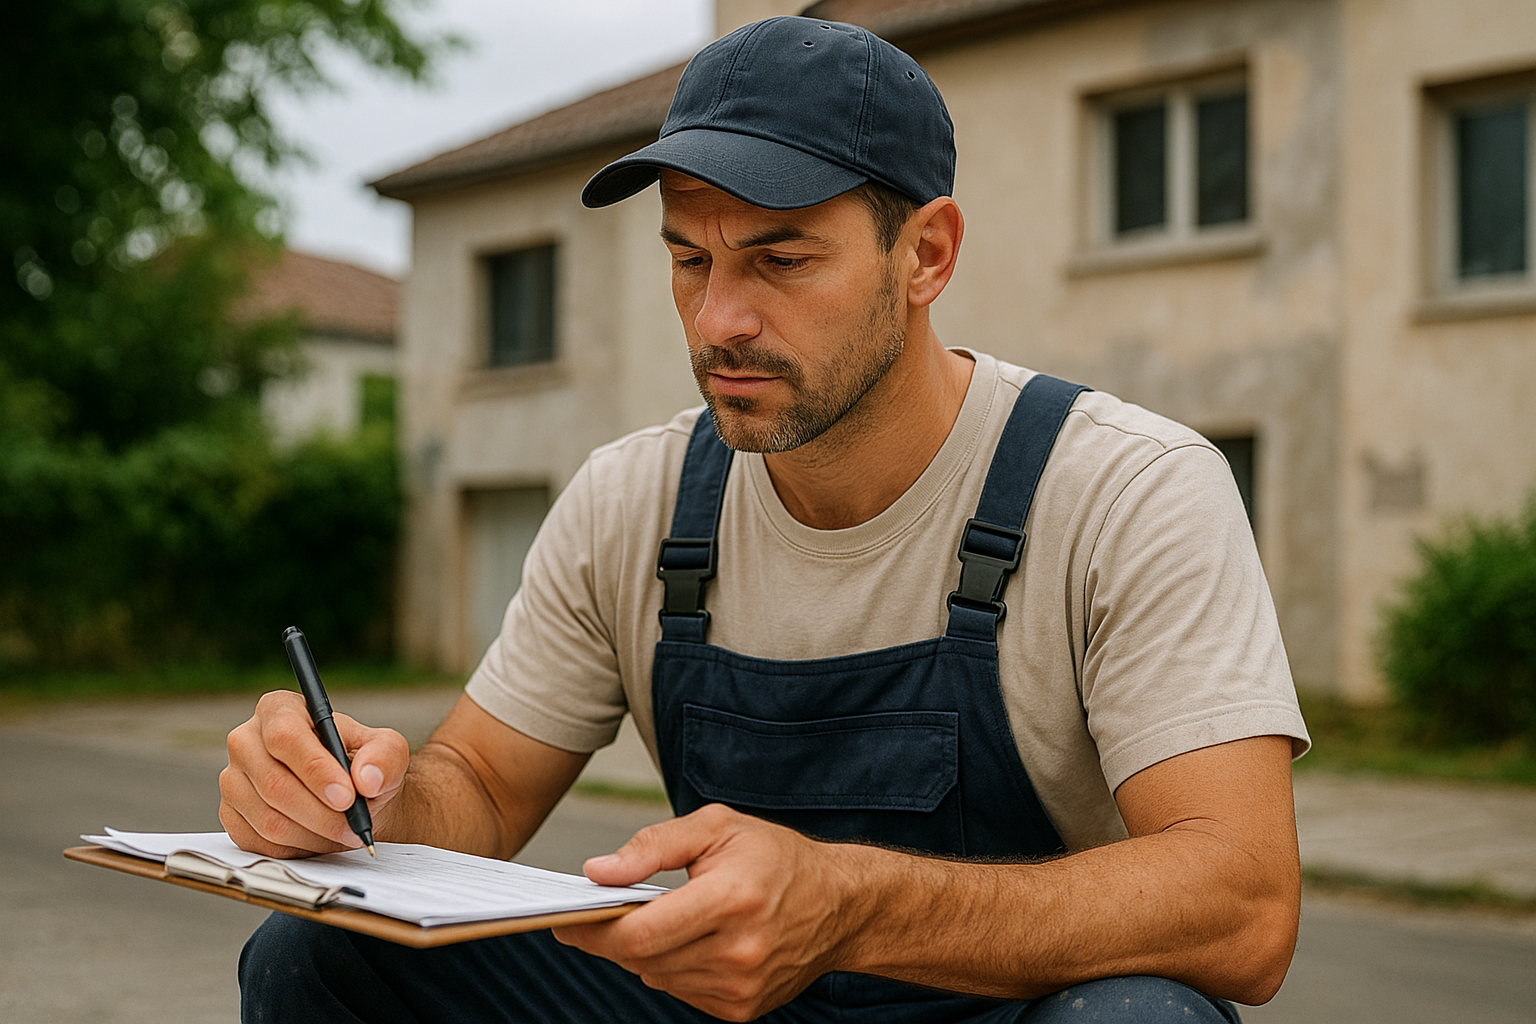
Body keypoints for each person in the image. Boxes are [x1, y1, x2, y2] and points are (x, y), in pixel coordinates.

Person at [226, 16, 1309, 1024]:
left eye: (781, 260)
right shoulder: (633, 501)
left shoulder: (1126, 489)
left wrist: (849, 904)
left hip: (1010, 1004)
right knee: (319, 951)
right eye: (689, 259)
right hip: (717, 1003)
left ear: (926, 255)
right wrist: (366, 802)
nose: (719, 320)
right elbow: (484, 785)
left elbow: (1244, 903)